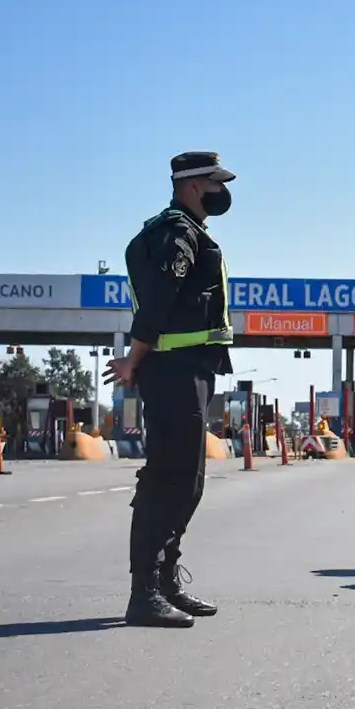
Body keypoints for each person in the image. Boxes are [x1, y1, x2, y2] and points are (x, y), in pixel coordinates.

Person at [103, 151, 236, 629]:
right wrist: (136, 360)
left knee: (184, 480)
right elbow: (159, 301)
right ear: (194, 185)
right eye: (217, 182)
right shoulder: (178, 233)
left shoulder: (184, 232)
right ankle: (144, 592)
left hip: (185, 369)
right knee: (172, 480)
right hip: (175, 370)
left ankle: (164, 583)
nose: (223, 191)